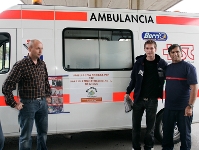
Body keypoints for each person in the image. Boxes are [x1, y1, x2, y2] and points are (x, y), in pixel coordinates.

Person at [2, 39, 52, 150]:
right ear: (29, 49)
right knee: (26, 136)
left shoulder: (42, 64)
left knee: (43, 133)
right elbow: (7, 86)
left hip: (42, 104)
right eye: (37, 48)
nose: (40, 51)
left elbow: (46, 82)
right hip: (28, 104)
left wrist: (47, 95)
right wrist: (14, 103)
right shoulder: (21, 65)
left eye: (41, 48)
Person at [125, 40, 167, 150]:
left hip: (152, 100)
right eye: (147, 48)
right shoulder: (138, 63)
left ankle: (149, 147)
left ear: (155, 49)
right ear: (144, 49)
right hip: (138, 99)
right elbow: (133, 80)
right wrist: (127, 92)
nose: (149, 50)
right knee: (136, 127)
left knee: (150, 127)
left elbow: (170, 78)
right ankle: (136, 147)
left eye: (151, 48)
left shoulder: (162, 64)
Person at [162, 44, 198, 150]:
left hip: (184, 108)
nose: (175, 54)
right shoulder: (168, 69)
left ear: (182, 53)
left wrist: (190, 106)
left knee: (185, 136)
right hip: (169, 108)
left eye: (177, 51)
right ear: (169, 55)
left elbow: (194, 88)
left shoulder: (189, 68)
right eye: (172, 52)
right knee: (167, 135)